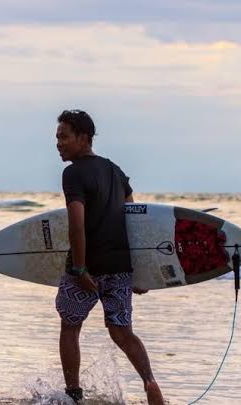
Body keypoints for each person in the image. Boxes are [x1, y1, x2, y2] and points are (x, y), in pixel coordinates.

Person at [54, 109, 164, 404]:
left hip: (88, 267)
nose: (58, 143)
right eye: (57, 137)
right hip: (119, 268)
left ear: (83, 138)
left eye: (64, 136)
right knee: (122, 332)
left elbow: (77, 224)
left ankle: (73, 395)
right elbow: (134, 221)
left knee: (70, 325)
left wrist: (79, 268)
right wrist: (138, 273)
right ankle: (150, 383)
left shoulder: (73, 173)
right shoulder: (115, 170)